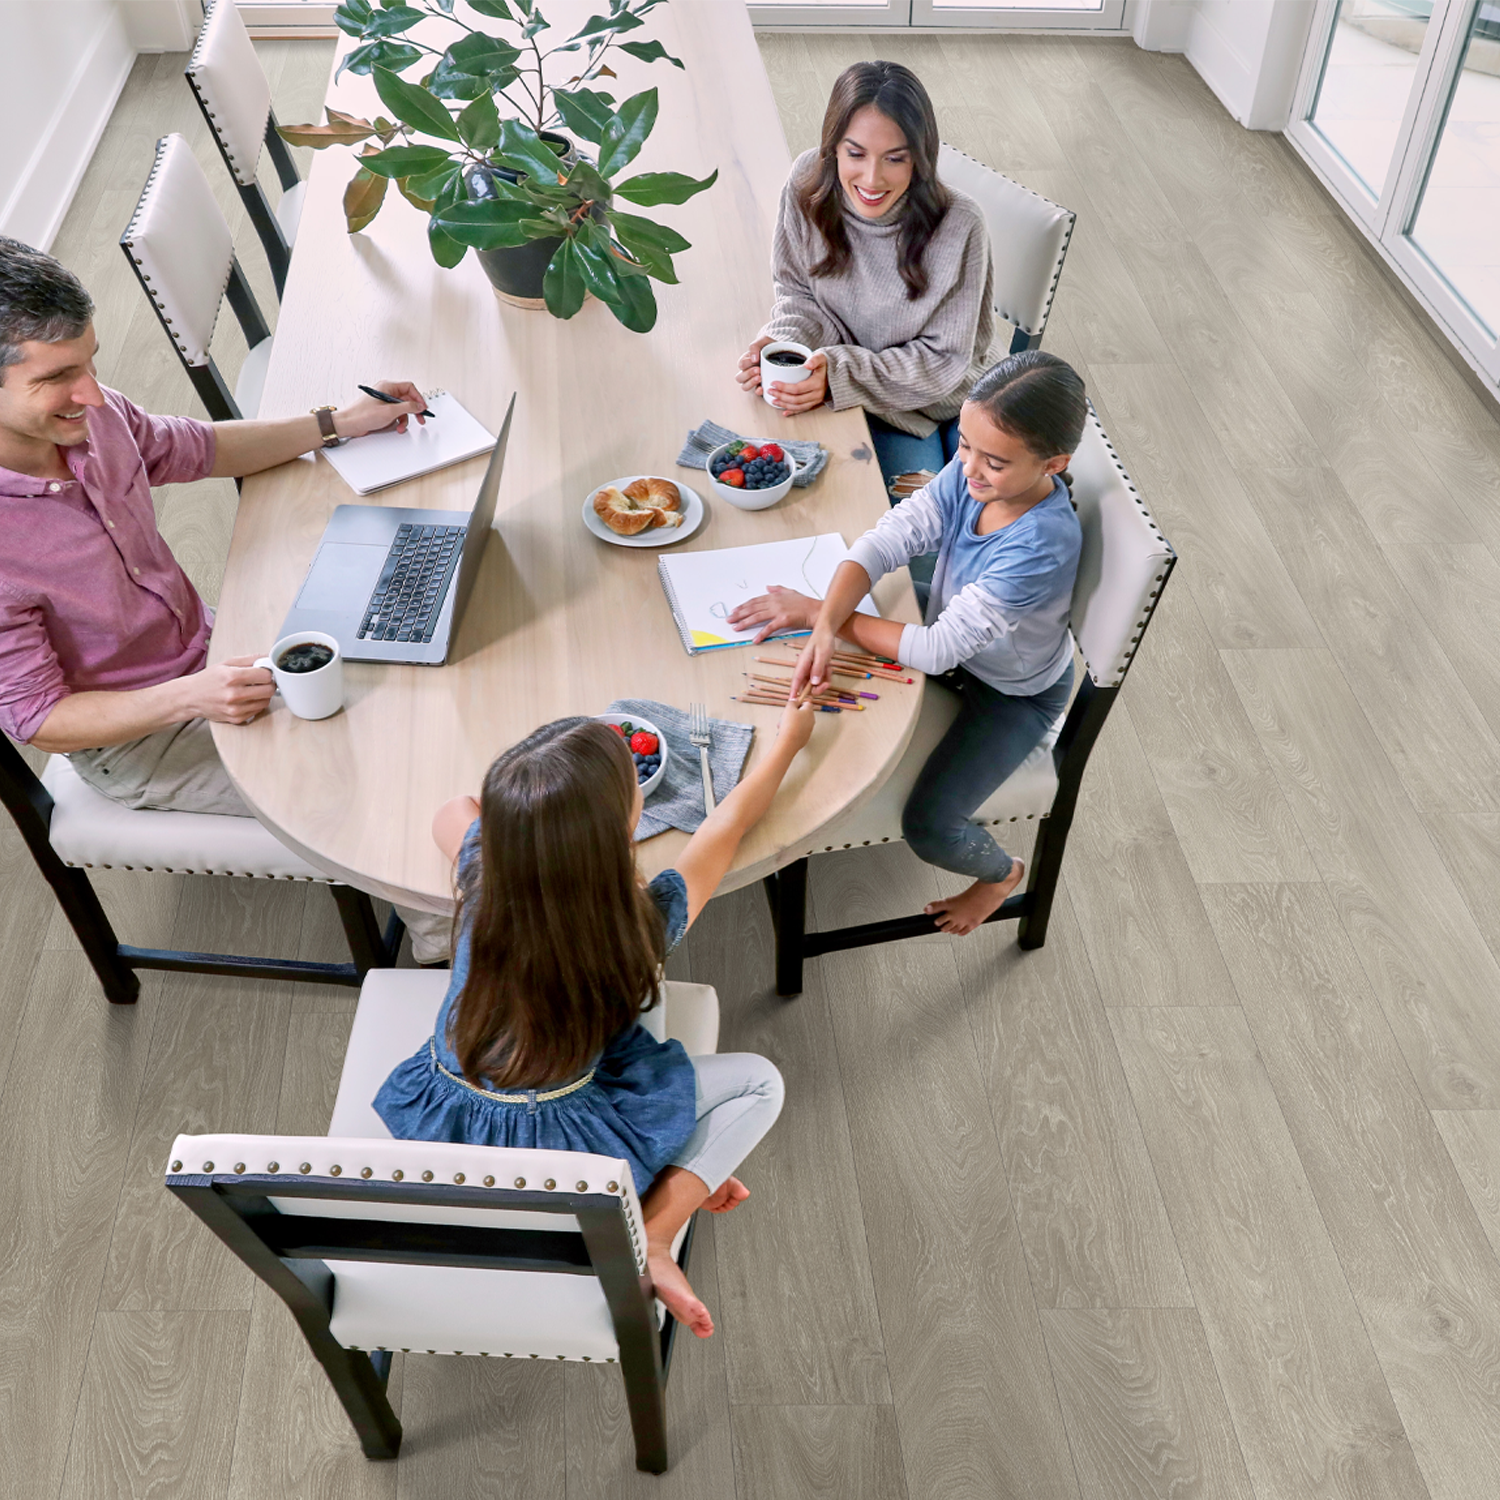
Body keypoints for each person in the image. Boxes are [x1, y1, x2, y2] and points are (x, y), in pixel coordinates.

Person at [0, 236, 448, 960]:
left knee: (416, 685)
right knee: (385, 800)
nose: (91, 391)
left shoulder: (91, 414)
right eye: (59, 377)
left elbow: (198, 448)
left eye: (91, 360)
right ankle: (463, 971)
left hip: (214, 649)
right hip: (140, 739)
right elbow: (39, 717)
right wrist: (192, 697)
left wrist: (338, 424)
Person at [374, 703, 816, 1338]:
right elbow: (730, 824)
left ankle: (662, 1166)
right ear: (623, 827)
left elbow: (453, 810)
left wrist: (521, 816)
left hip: (446, 1118)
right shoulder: (637, 925)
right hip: (558, 1143)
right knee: (758, 1082)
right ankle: (656, 1234)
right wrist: (789, 743)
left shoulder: (483, 873)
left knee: (636, 1008)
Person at [727, 351, 1085, 937]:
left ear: (1055, 463)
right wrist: (821, 625)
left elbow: (938, 650)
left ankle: (1000, 875)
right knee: (835, 625)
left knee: (932, 824)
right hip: (952, 623)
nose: (967, 468)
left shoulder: (1040, 546)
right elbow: (884, 542)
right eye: (963, 444)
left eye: (992, 461)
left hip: (1010, 694)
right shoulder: (970, 470)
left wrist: (823, 613)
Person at [736, 60, 994, 498]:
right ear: (832, 147)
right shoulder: (806, 185)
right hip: (840, 385)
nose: (872, 179)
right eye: (855, 154)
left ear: (921, 159)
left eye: (895, 159)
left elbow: (943, 363)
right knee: (782, 487)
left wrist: (838, 373)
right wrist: (784, 347)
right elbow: (798, 294)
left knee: (901, 527)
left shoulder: (959, 225)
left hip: (927, 404)